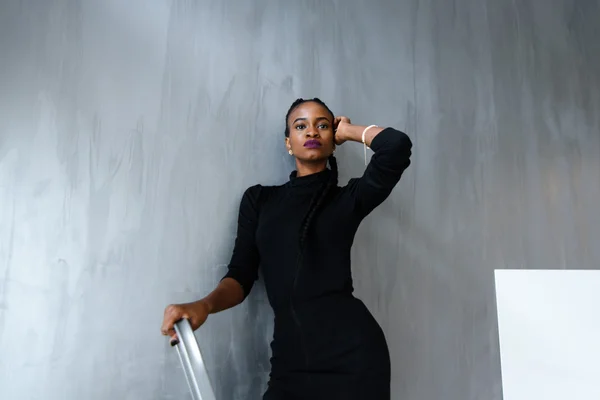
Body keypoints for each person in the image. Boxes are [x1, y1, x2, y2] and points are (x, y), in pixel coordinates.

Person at [161, 98, 412, 399]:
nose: (312, 132)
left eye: (322, 126)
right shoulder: (259, 201)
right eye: (301, 126)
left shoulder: (348, 199)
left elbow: (396, 146)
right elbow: (240, 277)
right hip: (291, 361)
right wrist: (204, 305)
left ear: (333, 141)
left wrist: (347, 131)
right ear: (288, 144)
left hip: (353, 358)